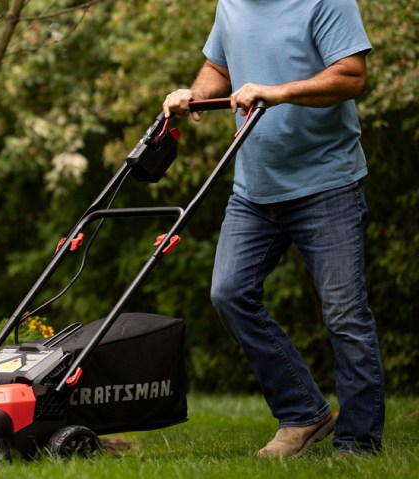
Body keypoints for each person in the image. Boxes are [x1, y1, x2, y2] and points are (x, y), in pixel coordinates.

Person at [162, 0, 384, 458]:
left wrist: (279, 92)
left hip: (327, 183)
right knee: (229, 292)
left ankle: (357, 442)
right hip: (255, 189)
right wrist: (193, 93)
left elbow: (351, 76)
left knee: (345, 314)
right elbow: (216, 64)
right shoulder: (231, 4)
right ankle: (303, 413)